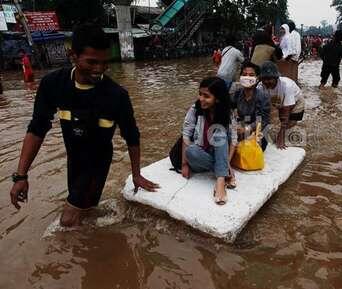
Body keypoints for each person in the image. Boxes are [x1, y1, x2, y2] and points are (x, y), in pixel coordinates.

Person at [9, 24, 159, 227]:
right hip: (74, 158)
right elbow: (37, 129)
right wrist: (21, 176)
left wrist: (136, 174)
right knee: (85, 214)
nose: (99, 69)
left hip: (98, 161)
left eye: (104, 63)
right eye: (92, 62)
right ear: (73, 55)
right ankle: (105, 233)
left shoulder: (117, 96)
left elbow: (132, 136)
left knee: (68, 222)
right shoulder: (53, 85)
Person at [181, 77, 237, 205]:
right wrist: (184, 164)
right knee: (191, 151)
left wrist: (227, 162)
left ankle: (220, 181)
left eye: (206, 96)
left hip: (220, 152)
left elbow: (233, 140)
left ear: (217, 98)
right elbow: (186, 134)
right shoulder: (195, 109)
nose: (201, 98)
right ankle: (224, 172)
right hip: (201, 155)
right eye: (200, 94)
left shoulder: (227, 113)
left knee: (220, 132)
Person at [258, 61, 305, 150]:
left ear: (276, 78)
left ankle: (282, 135)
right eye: (264, 79)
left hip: (296, 101)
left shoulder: (286, 86)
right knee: (277, 118)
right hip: (277, 98)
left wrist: (281, 135)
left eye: (270, 79)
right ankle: (279, 133)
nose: (267, 82)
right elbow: (259, 109)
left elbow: (286, 111)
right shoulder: (260, 86)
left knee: (291, 123)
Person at [231, 61, 270, 151]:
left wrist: (247, 129)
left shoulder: (263, 97)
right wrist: (234, 124)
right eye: (245, 74)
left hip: (257, 133)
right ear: (240, 77)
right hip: (240, 129)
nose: (247, 77)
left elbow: (263, 120)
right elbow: (229, 108)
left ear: (257, 78)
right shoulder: (237, 94)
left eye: (251, 75)